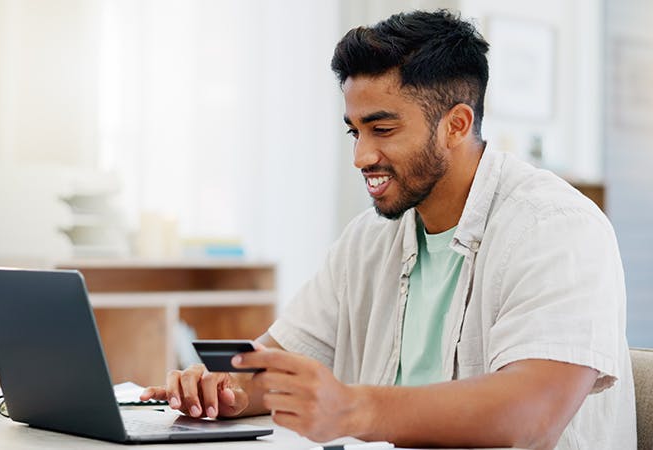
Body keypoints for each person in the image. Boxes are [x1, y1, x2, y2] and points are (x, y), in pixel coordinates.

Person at [141, 9, 636, 449]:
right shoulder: (368, 239)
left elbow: (531, 419)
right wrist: (222, 390)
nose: (361, 156)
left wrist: (355, 409)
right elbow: (275, 370)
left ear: (456, 125)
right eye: (355, 131)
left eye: (382, 129)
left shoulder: (558, 228)